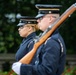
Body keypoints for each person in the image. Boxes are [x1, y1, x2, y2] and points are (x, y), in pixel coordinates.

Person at [12, 4, 66, 75]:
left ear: (50, 19)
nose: (37, 20)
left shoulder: (52, 41)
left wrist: (22, 68)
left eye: (41, 18)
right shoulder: (49, 39)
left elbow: (47, 71)